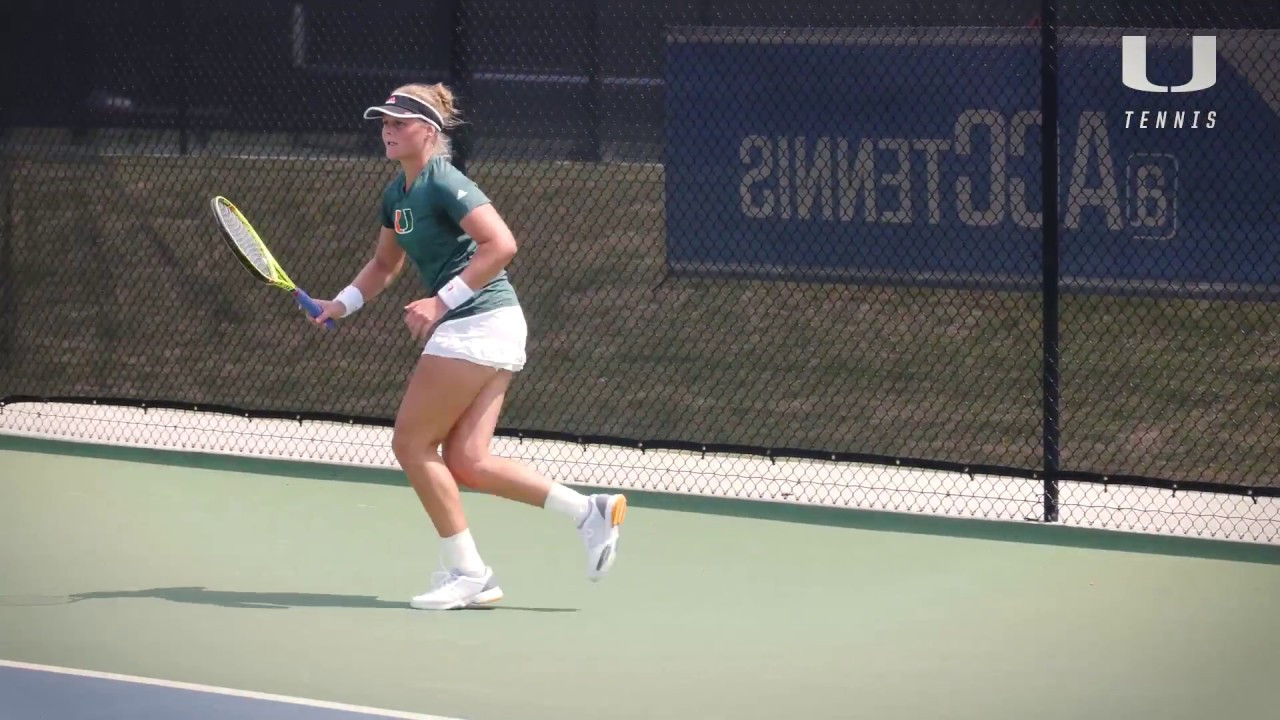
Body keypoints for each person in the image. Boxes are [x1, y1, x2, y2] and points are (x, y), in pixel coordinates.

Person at [310, 83, 626, 611]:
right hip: (488, 325)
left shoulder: (445, 181)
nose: (387, 129)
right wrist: (340, 304)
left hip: (477, 322)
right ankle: (587, 512)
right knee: (468, 461)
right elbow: (384, 266)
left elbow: (501, 244)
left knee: (411, 445)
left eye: (399, 122)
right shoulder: (397, 194)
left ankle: (468, 573)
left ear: (428, 132)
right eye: (383, 121)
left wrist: (440, 302)